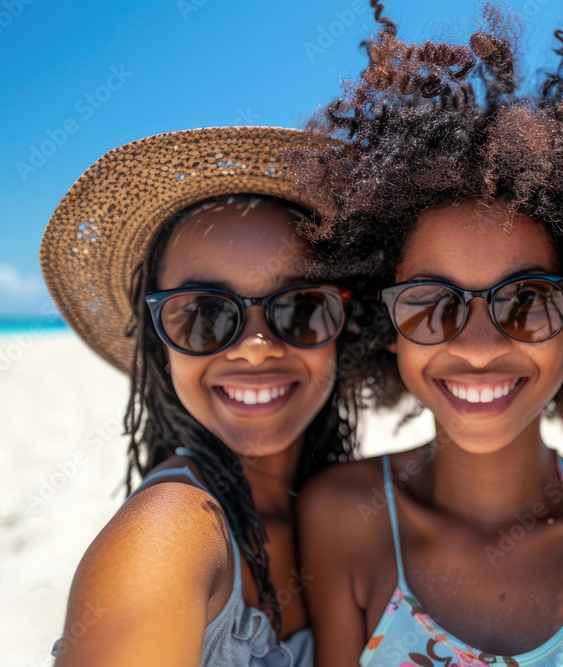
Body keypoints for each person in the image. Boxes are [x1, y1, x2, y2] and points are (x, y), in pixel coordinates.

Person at [290, 3, 563, 665]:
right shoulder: (341, 517)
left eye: (526, 300)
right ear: (388, 326)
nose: (480, 346)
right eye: (432, 303)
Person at [40, 126, 364, 665]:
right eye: (206, 314)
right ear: (158, 340)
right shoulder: (166, 535)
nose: (256, 350)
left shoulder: (353, 506)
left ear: (346, 322)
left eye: (302, 307)